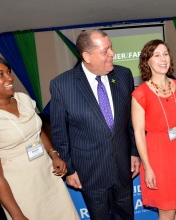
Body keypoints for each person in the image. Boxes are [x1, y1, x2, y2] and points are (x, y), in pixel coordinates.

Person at [50, 29, 140, 220]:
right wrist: (70, 170)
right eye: (105, 51)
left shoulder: (124, 75)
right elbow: (59, 133)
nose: (112, 54)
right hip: (90, 171)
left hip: (123, 167)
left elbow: (130, 120)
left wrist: (133, 152)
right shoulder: (62, 85)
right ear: (87, 56)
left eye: (111, 48)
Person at [0, 56, 79, 220]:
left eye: (8, 72)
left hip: (48, 177)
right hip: (21, 189)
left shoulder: (24, 100)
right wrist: (17, 215)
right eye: (1, 74)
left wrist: (54, 155)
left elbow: (38, 131)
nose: (10, 78)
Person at [132, 39, 176, 220]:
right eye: (156, 55)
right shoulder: (140, 94)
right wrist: (147, 167)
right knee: (167, 210)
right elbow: (138, 133)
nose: (163, 59)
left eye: (165, 54)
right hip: (158, 157)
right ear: (147, 61)